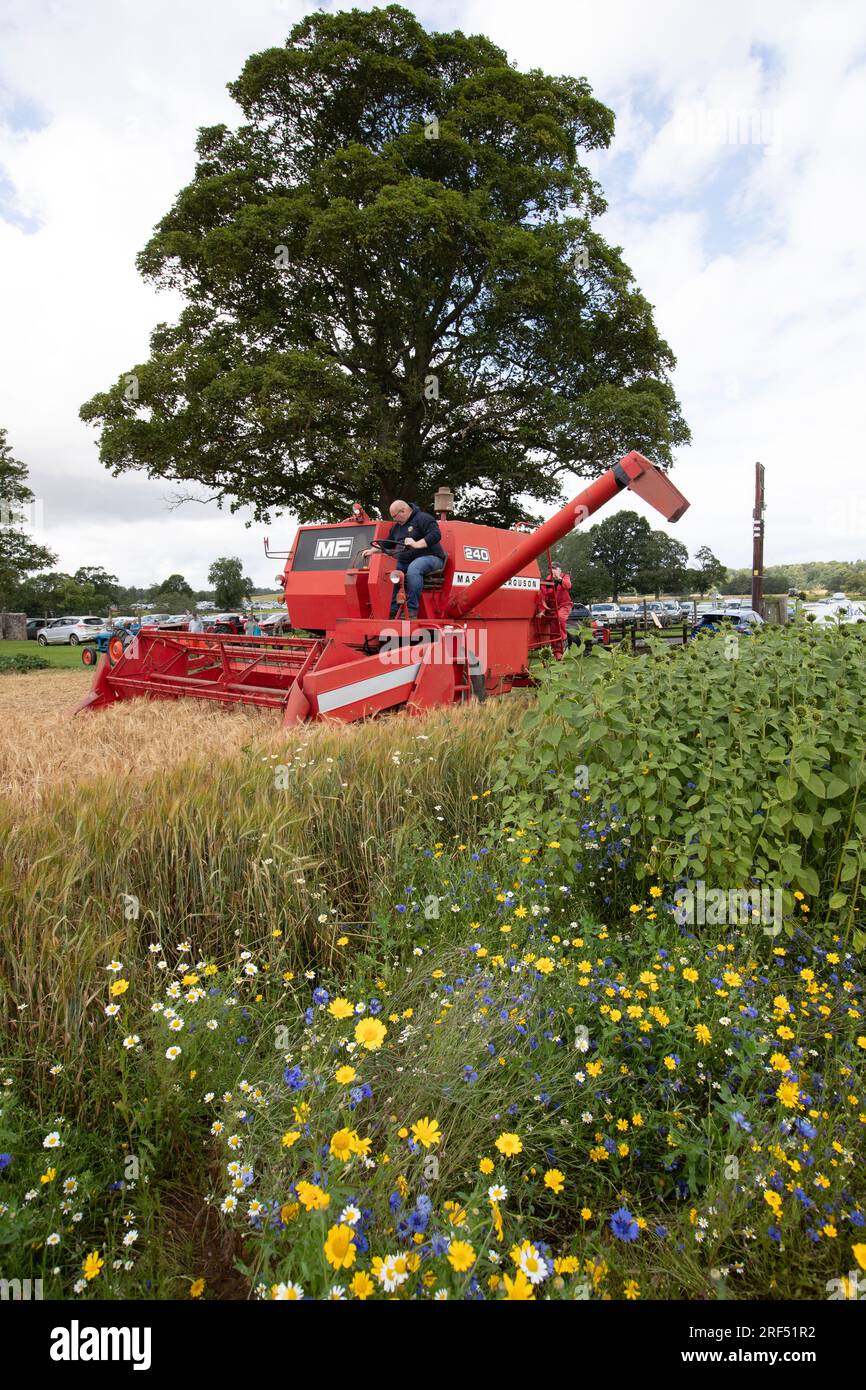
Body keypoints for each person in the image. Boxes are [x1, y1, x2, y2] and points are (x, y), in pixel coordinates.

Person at [363, 499, 447, 619]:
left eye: (395, 516)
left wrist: (417, 544)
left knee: (415, 568)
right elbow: (388, 543)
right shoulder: (397, 527)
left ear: (403, 511)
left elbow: (435, 535)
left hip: (431, 557)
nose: (394, 520)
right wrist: (372, 550)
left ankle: (412, 609)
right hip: (406, 561)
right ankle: (392, 609)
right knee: (390, 572)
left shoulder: (423, 518)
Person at [551, 564, 572, 645]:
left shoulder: (565, 576)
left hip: (565, 605)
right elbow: (544, 592)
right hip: (553, 606)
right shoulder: (549, 579)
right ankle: (554, 644)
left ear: (559, 570)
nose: (553, 570)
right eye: (551, 568)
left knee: (560, 617)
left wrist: (559, 579)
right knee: (552, 621)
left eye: (554, 568)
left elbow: (568, 585)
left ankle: (564, 639)